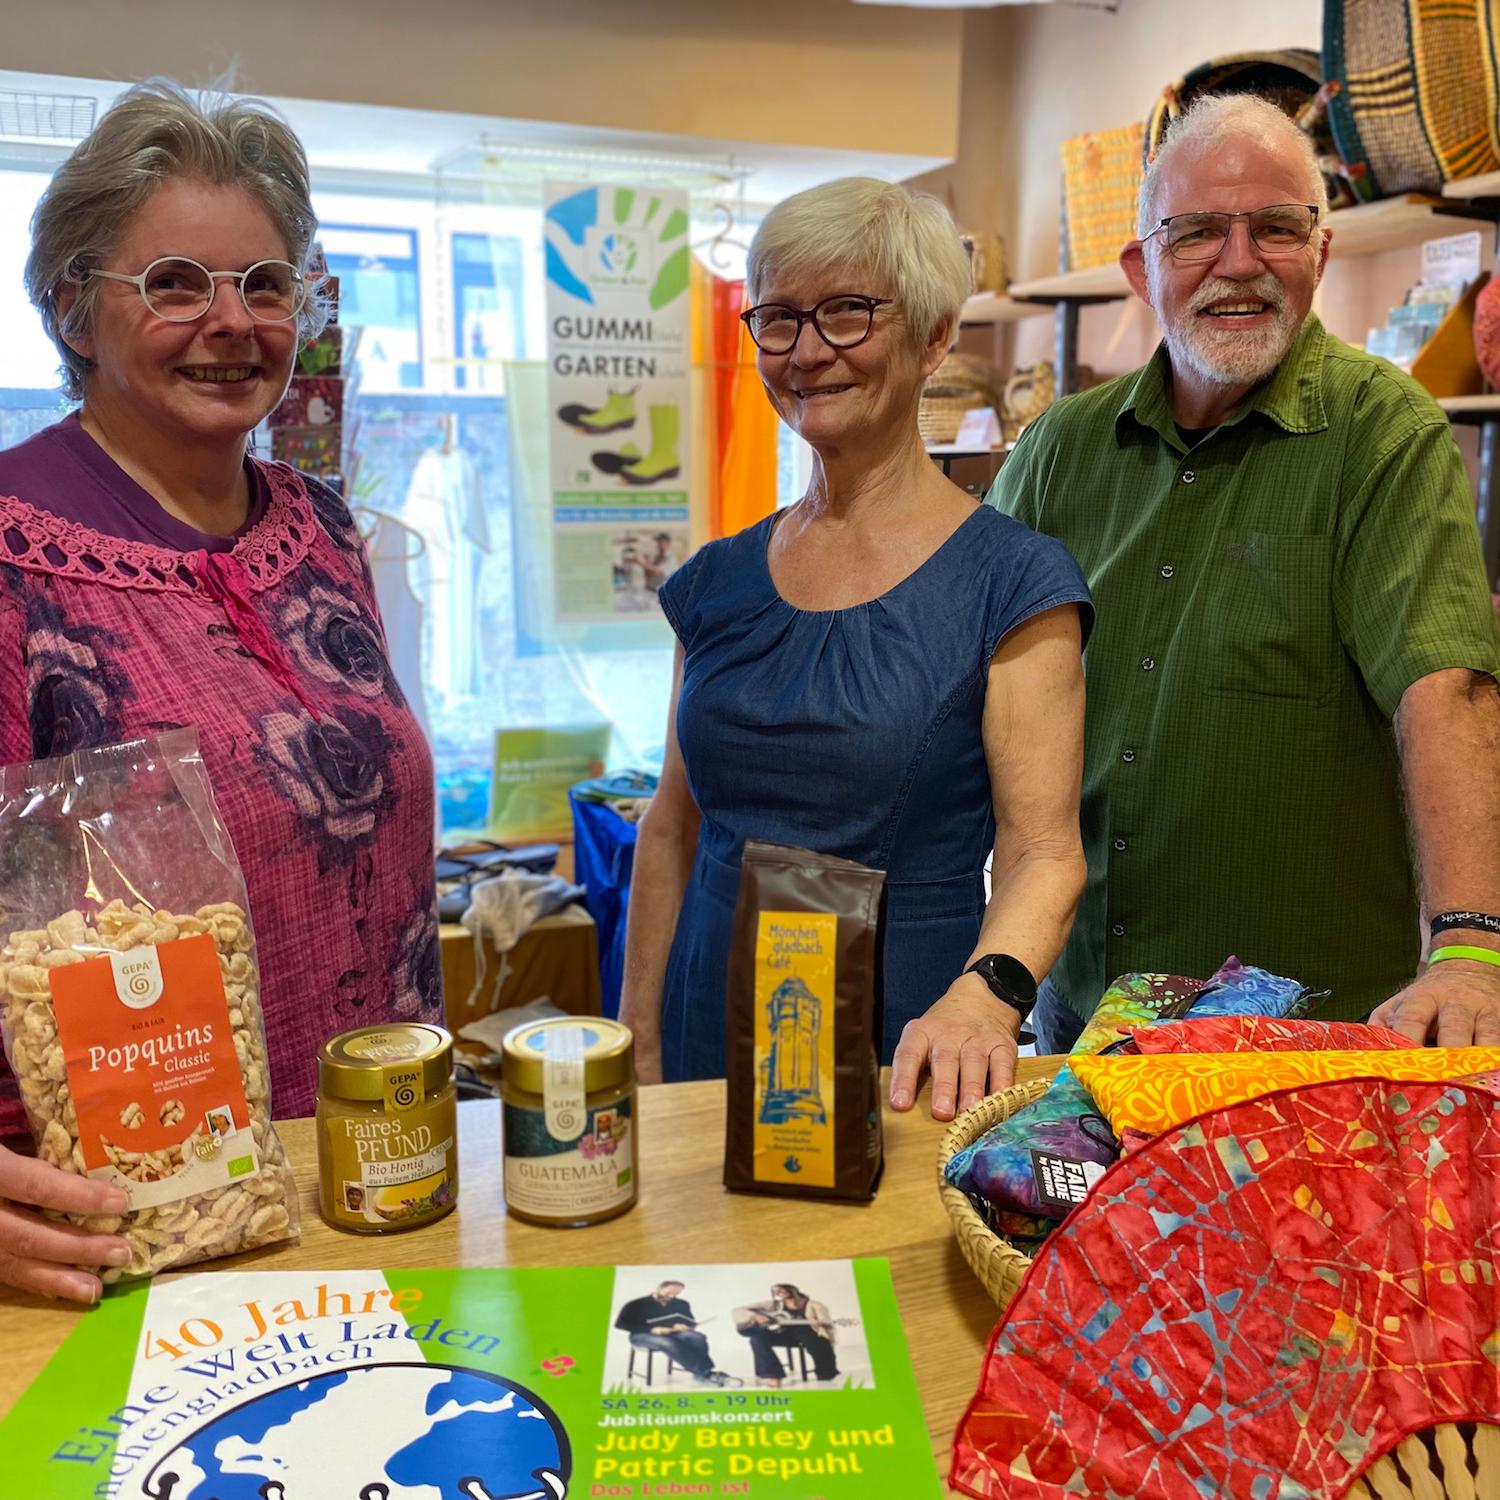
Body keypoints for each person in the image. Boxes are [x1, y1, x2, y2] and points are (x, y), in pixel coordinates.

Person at [0, 82, 441, 1304]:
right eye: (177, 283)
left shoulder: (326, 531)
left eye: (264, 285)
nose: (230, 322)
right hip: (132, 1234)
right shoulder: (9, 556)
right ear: (71, 307)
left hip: (382, 1182)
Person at [990, 94, 1500, 1052]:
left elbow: (1447, 688)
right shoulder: (1061, 450)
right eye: (1196, 234)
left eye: (1274, 227)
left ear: (1321, 252)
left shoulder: (1383, 434)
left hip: (1307, 1033)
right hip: (1083, 1016)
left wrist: (1469, 946)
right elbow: (970, 670)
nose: (1238, 262)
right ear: (1143, 268)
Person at [619, 178, 1093, 1121]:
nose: (807, 352)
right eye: (781, 318)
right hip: (709, 1014)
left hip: (909, 1039)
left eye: (847, 313)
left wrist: (985, 997)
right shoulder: (714, 582)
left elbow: (1044, 853)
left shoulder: (1013, 580)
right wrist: (637, 1037)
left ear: (931, 337)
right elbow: (671, 828)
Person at [614, 1279, 739, 1387]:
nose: (672, 1296)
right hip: (641, 1335)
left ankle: (702, 1373)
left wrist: (685, 1326)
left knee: (698, 1337)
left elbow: (690, 1322)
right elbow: (620, 1324)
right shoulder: (636, 1304)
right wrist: (651, 1329)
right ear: (659, 1288)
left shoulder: (682, 1304)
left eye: (676, 1293)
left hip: (672, 1333)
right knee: (669, 1343)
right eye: (669, 1292)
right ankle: (706, 1374)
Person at [734, 1282, 842, 1388]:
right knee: (756, 1338)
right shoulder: (773, 1304)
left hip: (806, 1332)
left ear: (793, 1289)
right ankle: (774, 1375)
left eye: (781, 1289)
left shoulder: (815, 1304)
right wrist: (756, 1315)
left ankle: (825, 1373)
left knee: (819, 1343)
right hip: (782, 1333)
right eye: (775, 1291)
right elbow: (738, 1309)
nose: (778, 1292)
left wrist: (821, 1323)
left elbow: (826, 1323)